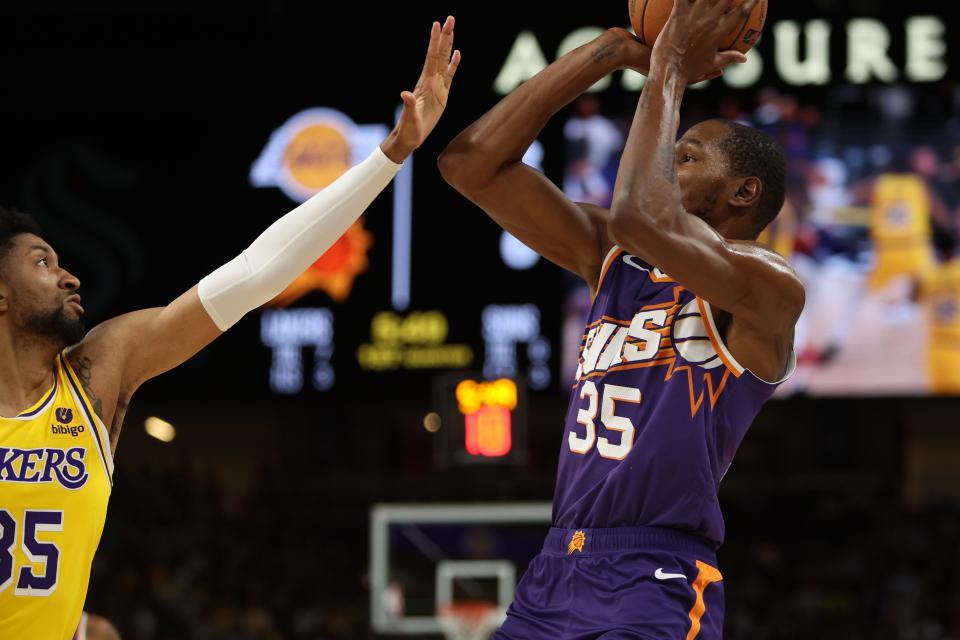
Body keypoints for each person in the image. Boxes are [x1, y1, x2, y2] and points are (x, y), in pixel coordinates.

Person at [0, 16, 460, 638]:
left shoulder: (98, 371)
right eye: (42, 262)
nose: (69, 276)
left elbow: (255, 274)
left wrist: (391, 154)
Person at [439, 0, 804, 636]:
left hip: (656, 577)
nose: (669, 163)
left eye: (687, 158)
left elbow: (641, 214)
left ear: (743, 193)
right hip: (555, 571)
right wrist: (608, 51)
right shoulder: (616, 257)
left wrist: (668, 68)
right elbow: (470, 166)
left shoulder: (768, 287)